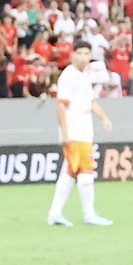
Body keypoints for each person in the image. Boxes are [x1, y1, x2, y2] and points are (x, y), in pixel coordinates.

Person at [46, 39, 114, 226]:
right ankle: (84, 214)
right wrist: (65, 132)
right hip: (74, 130)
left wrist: (104, 118)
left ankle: (60, 214)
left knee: (75, 171)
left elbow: (90, 102)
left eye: (86, 53)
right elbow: (61, 105)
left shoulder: (84, 76)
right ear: (73, 54)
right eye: (80, 53)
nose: (84, 57)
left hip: (84, 131)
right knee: (79, 171)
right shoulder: (68, 76)